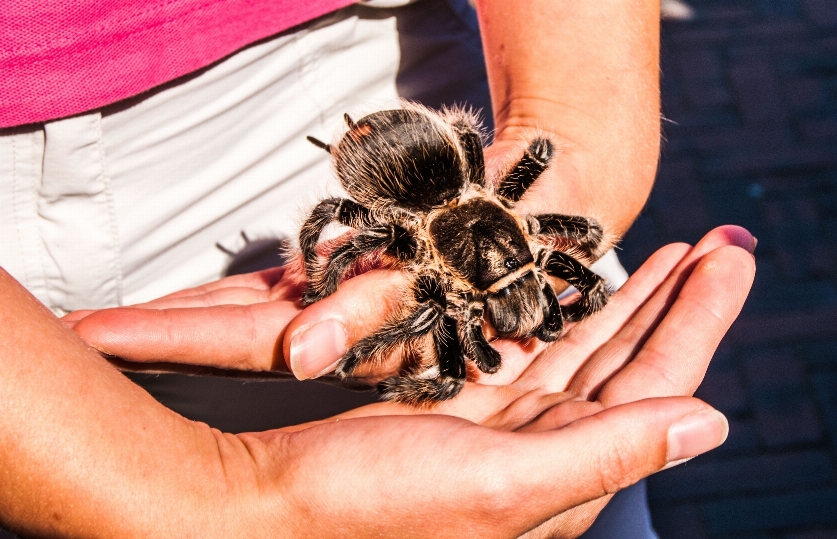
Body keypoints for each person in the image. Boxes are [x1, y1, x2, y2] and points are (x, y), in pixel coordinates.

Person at [0, 0, 757, 536]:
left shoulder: (507, 205)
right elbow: (362, 232)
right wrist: (325, 288)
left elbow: (526, 154)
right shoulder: (412, 252)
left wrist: (579, 125)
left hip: (359, 42)